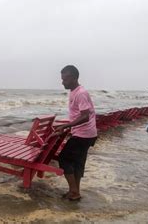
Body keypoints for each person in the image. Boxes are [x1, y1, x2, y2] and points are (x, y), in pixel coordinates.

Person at [55, 65, 98, 201]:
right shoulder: (74, 91)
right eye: (62, 79)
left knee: (64, 158)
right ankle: (75, 191)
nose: (63, 82)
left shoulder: (81, 93)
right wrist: (69, 127)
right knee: (77, 163)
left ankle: (74, 191)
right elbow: (78, 115)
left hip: (83, 134)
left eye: (65, 79)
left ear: (74, 78)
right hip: (86, 133)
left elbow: (85, 116)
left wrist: (67, 125)